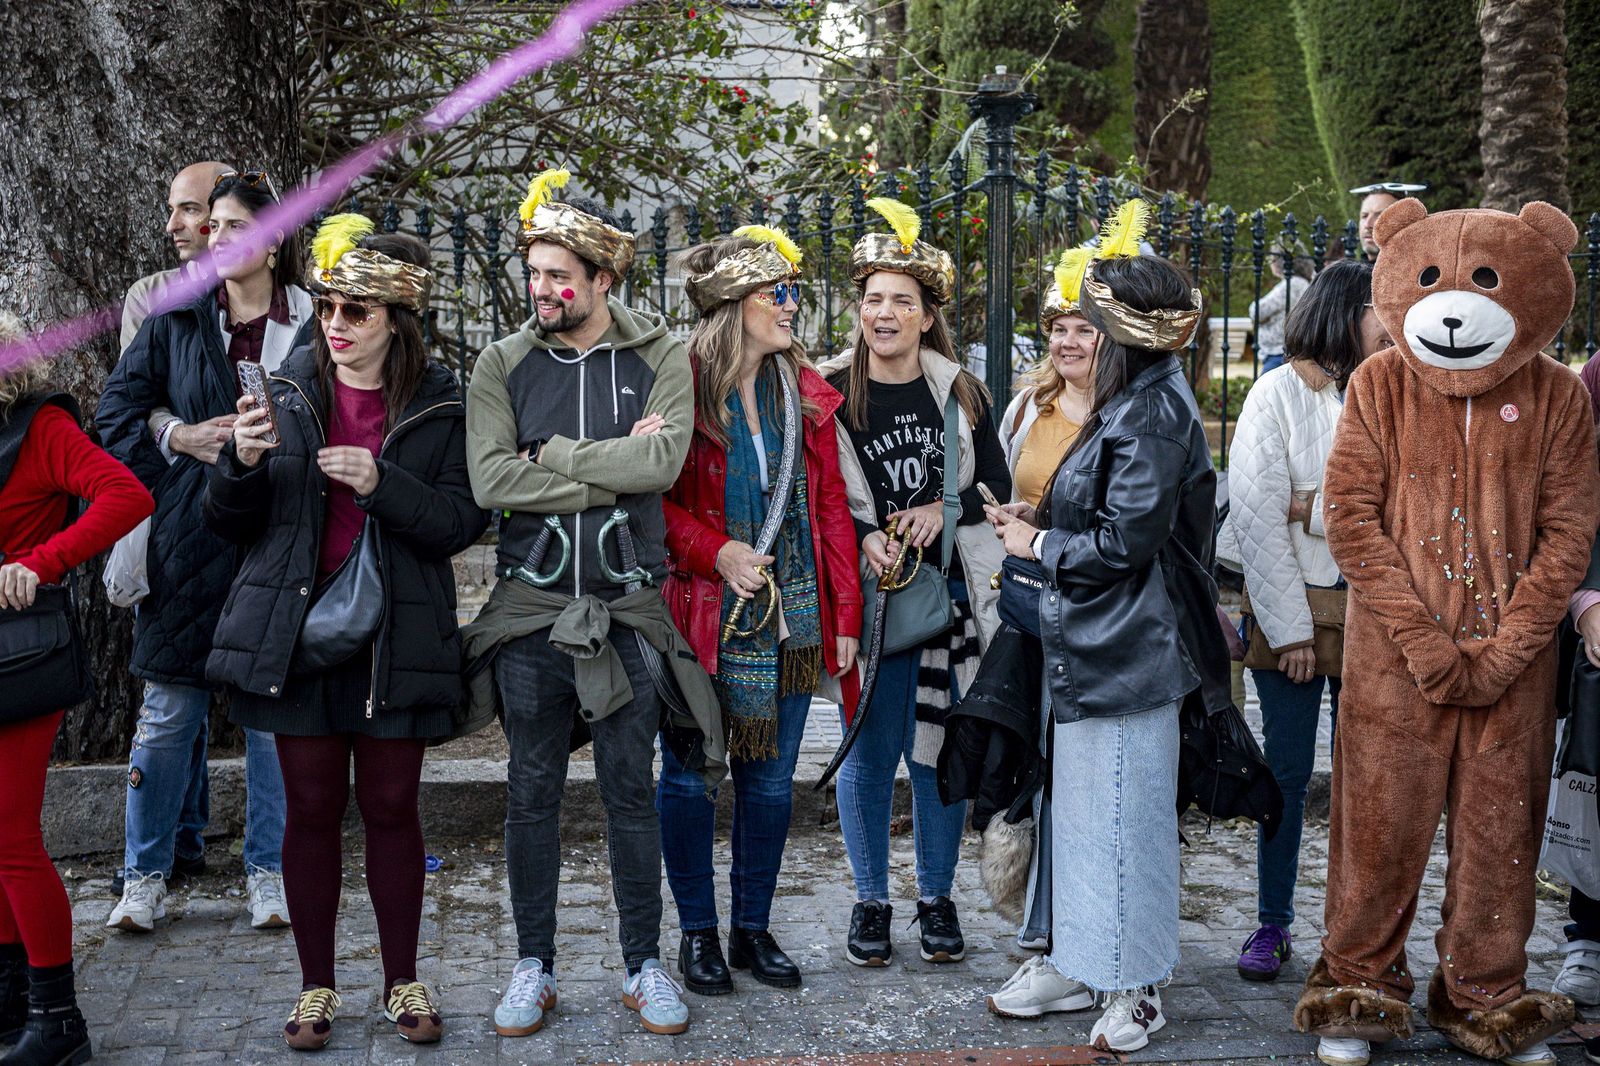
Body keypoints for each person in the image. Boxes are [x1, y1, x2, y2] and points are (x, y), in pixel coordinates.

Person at [1293, 201, 1596, 1066]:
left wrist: (1507, 648)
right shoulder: (1378, 385)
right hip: (1395, 665)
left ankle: (1484, 992)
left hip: (1517, 668)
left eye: (1485, 282)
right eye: (1431, 280)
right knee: (1378, 826)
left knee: (1501, 835)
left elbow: (1569, 531)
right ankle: (1357, 980)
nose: (1454, 304)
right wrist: (1423, 641)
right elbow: (1349, 517)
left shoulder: (1558, 396)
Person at [202, 217, 484, 1050]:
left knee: (393, 806)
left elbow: (461, 521)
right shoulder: (284, 391)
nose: (336, 323)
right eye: (328, 305)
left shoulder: (442, 401)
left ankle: (402, 980)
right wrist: (240, 466)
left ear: (396, 319)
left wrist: (381, 482)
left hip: (397, 633)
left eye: (357, 310)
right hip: (296, 633)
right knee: (312, 808)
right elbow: (232, 524)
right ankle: (316, 985)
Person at [462, 170, 719, 1039]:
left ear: (603, 280)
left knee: (628, 794)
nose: (543, 289)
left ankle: (643, 965)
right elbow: (490, 476)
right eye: (535, 273)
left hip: (627, 613)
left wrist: (559, 453)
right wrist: (606, 467)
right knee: (530, 791)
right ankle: (533, 964)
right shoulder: (502, 362)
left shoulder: (660, 357)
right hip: (533, 614)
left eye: (559, 274)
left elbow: (661, 468)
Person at [983, 202, 1223, 1054]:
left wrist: (1035, 539)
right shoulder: (1134, 405)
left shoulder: (1152, 411)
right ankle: (1083, 960)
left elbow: (1128, 543)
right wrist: (1041, 514)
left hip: (1130, 651)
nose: (1075, 335)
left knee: (1126, 822)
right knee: (1085, 820)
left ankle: (1139, 985)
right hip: (1091, 643)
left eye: (1093, 320)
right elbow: (1111, 515)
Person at [97, 170, 310, 934]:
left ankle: (268, 873)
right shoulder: (175, 317)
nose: (216, 241)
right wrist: (177, 435)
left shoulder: (315, 322)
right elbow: (115, 416)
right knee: (166, 712)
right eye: (210, 227)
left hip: (279, 539)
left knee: (268, 721)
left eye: (232, 227)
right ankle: (143, 876)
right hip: (187, 534)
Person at [656, 227, 862, 995]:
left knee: (771, 786)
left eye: (792, 291)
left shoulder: (801, 387)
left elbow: (830, 505)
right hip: (701, 618)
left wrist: (844, 617)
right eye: (776, 293)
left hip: (791, 620)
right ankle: (698, 935)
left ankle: (752, 930)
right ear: (732, 304)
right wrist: (718, 552)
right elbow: (654, 503)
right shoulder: (678, 383)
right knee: (687, 781)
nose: (790, 305)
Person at [819, 197, 1008, 970]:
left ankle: (936, 898)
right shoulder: (828, 393)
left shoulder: (962, 394)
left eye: (902, 300)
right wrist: (864, 535)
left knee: (937, 755)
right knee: (868, 756)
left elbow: (994, 492)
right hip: (867, 607)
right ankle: (870, 900)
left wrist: (942, 506)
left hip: (945, 606)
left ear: (928, 316)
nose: (884, 313)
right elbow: (812, 495)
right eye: (872, 299)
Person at [1222, 260, 1386, 983]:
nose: (1393, 320)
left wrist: (1313, 507)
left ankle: (1356, 934)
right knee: (1286, 776)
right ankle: (1272, 922)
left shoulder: (1394, 392)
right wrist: (1289, 632)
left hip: (1379, 621)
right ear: (1346, 313)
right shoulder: (1276, 394)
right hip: (1299, 620)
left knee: (1372, 782)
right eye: (1379, 308)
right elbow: (1257, 517)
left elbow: (1399, 508)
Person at [0, 313, 153, 1066]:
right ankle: (9, 998)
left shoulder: (41, 431)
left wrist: (43, 560)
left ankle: (58, 1022)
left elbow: (126, 496)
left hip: (20, 658)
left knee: (13, 838)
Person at [1000, 248, 1096, 509]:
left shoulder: (1129, 412)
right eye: (1059, 330)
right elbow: (998, 488)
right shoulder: (1028, 404)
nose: (1068, 342)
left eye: (1084, 331)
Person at [121, 161, 233, 352]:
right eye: (172, 210)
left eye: (190, 209)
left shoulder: (277, 295)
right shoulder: (148, 295)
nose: (171, 226)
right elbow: (131, 379)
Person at [1249, 243, 1312, 376]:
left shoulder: (1292, 284)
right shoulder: (1304, 282)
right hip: (1285, 352)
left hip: (1279, 354)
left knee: (1265, 394)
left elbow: (1257, 311)